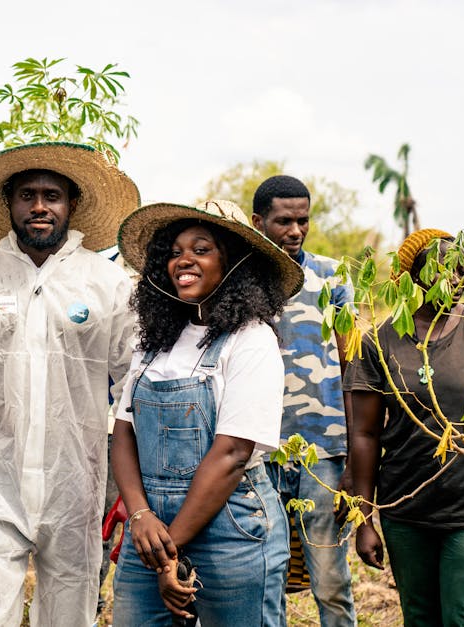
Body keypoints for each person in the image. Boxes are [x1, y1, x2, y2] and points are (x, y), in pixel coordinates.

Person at [0, 142, 139, 626]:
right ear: (9, 204)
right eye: (27, 195)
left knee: (69, 613)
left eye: (52, 195)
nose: (39, 206)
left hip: (77, 482)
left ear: (72, 205)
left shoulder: (108, 284)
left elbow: (131, 387)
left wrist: (131, 488)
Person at [111, 199, 304, 626]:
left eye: (201, 249)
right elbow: (123, 432)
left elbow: (233, 453)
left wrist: (168, 552)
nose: (184, 260)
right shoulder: (155, 341)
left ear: (234, 264)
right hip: (150, 529)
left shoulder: (251, 341)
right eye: (175, 251)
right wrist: (140, 515)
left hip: (231, 526)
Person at [345, 228, 464, 627]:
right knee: (420, 616)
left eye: (461, 269)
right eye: (444, 270)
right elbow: (364, 434)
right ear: (411, 277)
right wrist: (365, 519)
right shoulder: (379, 343)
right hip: (406, 508)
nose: (455, 280)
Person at [251, 175, 357, 626]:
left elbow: (353, 363)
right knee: (267, 572)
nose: (295, 231)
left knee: (330, 577)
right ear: (259, 222)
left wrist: (355, 453)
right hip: (259, 448)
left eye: (303, 221)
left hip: (325, 449)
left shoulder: (332, 276)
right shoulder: (243, 280)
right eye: (283, 221)